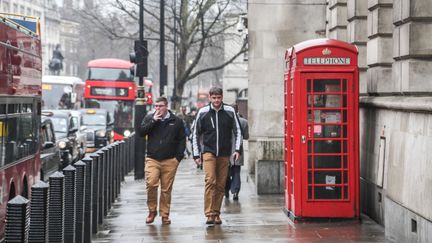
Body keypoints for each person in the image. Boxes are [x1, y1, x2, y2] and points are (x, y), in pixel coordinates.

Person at [192, 87, 242, 225]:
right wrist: (196, 155)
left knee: (221, 184)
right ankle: (209, 213)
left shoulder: (230, 111)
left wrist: (237, 150)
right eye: (213, 98)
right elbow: (195, 134)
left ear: (222, 97)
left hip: (225, 153)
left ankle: (216, 213)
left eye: (218, 98)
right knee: (210, 181)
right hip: (208, 152)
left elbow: (238, 131)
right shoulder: (203, 112)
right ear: (209, 97)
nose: (216, 100)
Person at [140, 97, 186, 225]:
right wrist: (153, 121)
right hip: (152, 159)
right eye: (156, 106)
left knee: (166, 189)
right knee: (151, 184)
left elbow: (182, 139)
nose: (158, 109)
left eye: (160, 106)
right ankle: (152, 210)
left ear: (166, 106)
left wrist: (178, 158)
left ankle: (165, 215)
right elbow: (141, 132)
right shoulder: (150, 118)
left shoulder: (176, 121)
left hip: (170, 160)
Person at [225, 104, 249, 200]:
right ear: (238, 110)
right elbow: (246, 136)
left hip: (226, 151)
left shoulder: (225, 120)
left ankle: (226, 190)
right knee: (236, 172)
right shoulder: (244, 122)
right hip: (238, 151)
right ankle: (235, 192)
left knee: (225, 173)